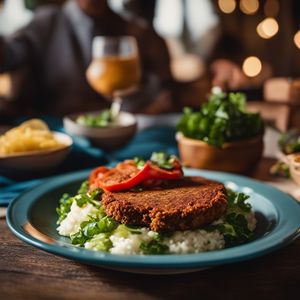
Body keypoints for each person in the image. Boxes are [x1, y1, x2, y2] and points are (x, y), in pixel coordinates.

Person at [0, 0, 173, 119]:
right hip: (58, 131)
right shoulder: (47, 22)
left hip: (119, 131)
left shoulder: (134, 30)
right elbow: (9, 56)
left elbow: (161, 92)